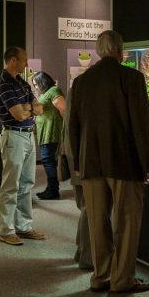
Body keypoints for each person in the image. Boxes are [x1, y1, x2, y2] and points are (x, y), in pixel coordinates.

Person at [68, 30, 149, 293]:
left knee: (97, 222)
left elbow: (73, 125)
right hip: (125, 163)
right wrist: (148, 164)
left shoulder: (82, 82)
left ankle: (101, 276)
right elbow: (141, 126)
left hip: (91, 164)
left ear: (98, 51)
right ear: (121, 51)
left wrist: (77, 162)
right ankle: (122, 280)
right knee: (127, 223)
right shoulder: (132, 78)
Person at [0, 46, 46, 246]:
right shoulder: (4, 84)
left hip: (28, 136)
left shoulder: (22, 83)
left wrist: (28, 108)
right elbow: (17, 114)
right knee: (10, 186)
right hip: (14, 137)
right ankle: (6, 230)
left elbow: (39, 108)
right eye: (24, 60)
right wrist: (29, 108)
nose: (27, 64)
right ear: (13, 61)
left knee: (26, 184)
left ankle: (24, 227)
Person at [56, 105, 91, 271]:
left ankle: (82, 250)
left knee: (86, 208)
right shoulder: (83, 90)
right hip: (84, 162)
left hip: (77, 160)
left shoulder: (76, 91)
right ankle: (88, 257)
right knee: (90, 209)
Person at [32, 71, 65, 200]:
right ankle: (52, 188)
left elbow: (64, 109)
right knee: (48, 159)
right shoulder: (45, 93)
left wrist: (65, 131)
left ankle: (53, 189)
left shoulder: (54, 91)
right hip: (44, 131)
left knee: (47, 160)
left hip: (51, 131)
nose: (35, 87)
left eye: (36, 84)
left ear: (42, 82)